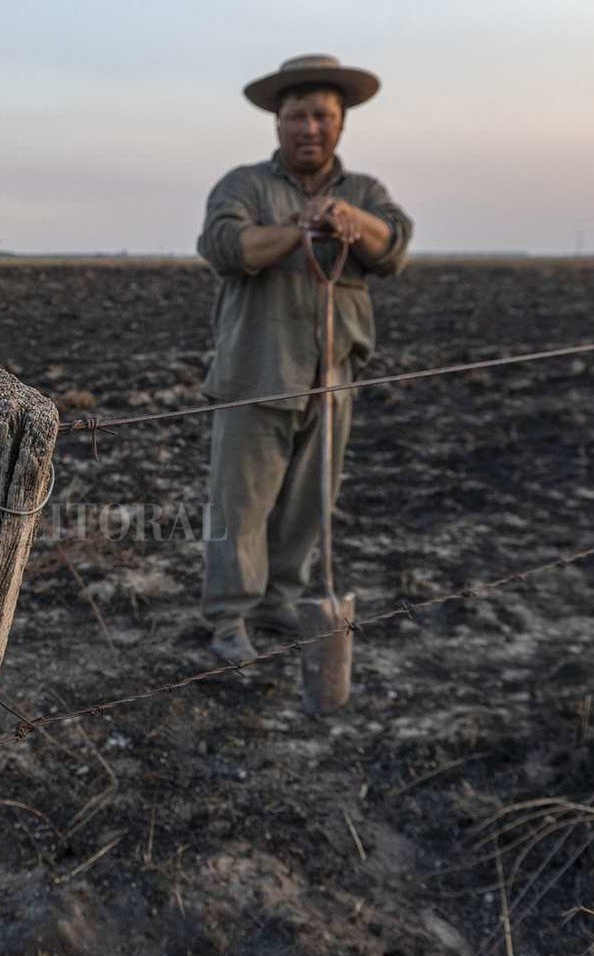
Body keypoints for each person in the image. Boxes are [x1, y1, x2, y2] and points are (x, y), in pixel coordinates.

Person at [196, 54, 413, 663]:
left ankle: (280, 601)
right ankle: (229, 618)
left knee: (307, 505)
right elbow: (227, 247)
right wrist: (300, 225)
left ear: (341, 124)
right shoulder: (243, 187)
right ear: (277, 123)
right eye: (297, 117)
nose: (309, 129)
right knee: (239, 508)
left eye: (322, 116)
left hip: (332, 377)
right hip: (255, 373)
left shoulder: (364, 192)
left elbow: (394, 248)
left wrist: (348, 220)